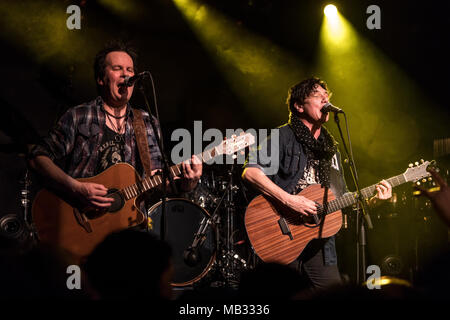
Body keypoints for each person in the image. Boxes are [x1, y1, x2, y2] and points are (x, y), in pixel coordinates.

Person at [28, 41, 202, 237]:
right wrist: (77, 188)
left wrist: (189, 183)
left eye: (130, 70)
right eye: (117, 69)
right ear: (101, 78)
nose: (126, 74)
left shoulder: (146, 122)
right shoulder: (79, 116)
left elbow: (157, 179)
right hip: (79, 225)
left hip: (128, 231)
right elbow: (37, 157)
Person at [242, 77, 392, 293]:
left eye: (327, 96)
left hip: (321, 241)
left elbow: (343, 198)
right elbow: (251, 172)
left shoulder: (332, 148)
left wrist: (375, 200)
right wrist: (290, 200)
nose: (325, 99)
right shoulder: (282, 136)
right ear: (299, 105)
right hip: (281, 232)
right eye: (318, 96)